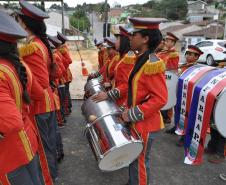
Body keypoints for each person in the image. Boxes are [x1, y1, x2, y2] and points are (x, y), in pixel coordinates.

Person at [121, 17, 167, 185]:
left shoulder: (152, 63)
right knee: (135, 161)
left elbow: (160, 99)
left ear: (146, 39)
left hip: (145, 124)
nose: (130, 37)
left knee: (139, 163)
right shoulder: (141, 59)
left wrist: (131, 114)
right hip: (138, 122)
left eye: (134, 34)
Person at [0, 10, 43, 185]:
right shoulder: (19, 65)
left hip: (9, 154)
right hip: (27, 141)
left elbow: (10, 123)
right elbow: (39, 93)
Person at [16, 1, 58, 181]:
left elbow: (39, 84)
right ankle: (52, 177)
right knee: (49, 146)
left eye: (18, 21)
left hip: (38, 105)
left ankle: (49, 180)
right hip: (47, 102)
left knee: (42, 150)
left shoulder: (31, 47)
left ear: (24, 24)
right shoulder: (41, 43)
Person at [91, 26, 136, 107]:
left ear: (124, 42)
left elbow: (127, 85)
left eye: (118, 39)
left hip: (124, 101)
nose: (116, 43)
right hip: (118, 97)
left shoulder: (128, 59)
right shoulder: (123, 58)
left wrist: (108, 94)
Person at [175, 45, 204, 147]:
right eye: (187, 53)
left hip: (190, 98)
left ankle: (185, 137)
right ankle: (177, 128)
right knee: (179, 113)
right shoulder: (184, 65)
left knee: (188, 117)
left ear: (197, 57)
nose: (187, 56)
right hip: (181, 95)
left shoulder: (197, 69)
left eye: (191, 54)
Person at [158, 32, 179, 125]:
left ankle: (167, 117)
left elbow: (171, 68)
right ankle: (162, 116)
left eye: (168, 41)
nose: (165, 42)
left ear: (173, 43)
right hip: (161, 77)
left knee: (168, 97)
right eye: (165, 40)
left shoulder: (173, 54)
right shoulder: (163, 52)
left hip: (168, 78)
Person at [57, 32, 73, 116]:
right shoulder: (62, 49)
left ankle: (67, 109)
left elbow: (69, 61)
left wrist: (61, 60)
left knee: (65, 93)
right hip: (65, 75)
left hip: (65, 75)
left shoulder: (62, 50)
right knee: (66, 92)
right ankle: (68, 108)